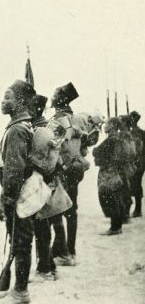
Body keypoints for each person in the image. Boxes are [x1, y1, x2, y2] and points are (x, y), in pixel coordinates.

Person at [0, 80, 35, 303]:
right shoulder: (23, 125)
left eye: (8, 97)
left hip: (18, 196)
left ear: (20, 101)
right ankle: (19, 289)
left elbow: (14, 171)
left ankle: (21, 292)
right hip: (25, 194)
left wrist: (5, 201)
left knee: (20, 242)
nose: (3, 101)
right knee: (20, 240)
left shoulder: (17, 130)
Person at [50, 82, 87, 267]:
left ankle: (63, 252)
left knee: (57, 210)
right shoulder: (77, 118)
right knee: (71, 211)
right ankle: (69, 250)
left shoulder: (59, 119)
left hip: (62, 170)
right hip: (75, 169)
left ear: (61, 99)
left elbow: (57, 145)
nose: (52, 96)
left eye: (55, 94)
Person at [29, 94, 57, 281]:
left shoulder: (40, 131)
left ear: (35, 109)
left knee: (40, 227)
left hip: (40, 182)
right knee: (42, 226)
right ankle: (49, 265)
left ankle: (45, 268)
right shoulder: (45, 127)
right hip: (46, 182)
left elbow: (40, 160)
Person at [93, 117, 125, 235]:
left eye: (107, 123)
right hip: (115, 171)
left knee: (109, 198)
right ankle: (117, 226)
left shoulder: (111, 139)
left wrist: (95, 150)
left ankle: (115, 227)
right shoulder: (118, 138)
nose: (105, 126)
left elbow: (97, 151)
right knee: (115, 197)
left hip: (108, 172)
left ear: (112, 125)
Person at [129, 111, 145, 217]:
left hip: (138, 162)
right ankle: (136, 209)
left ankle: (137, 209)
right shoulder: (139, 132)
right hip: (136, 162)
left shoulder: (139, 133)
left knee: (135, 184)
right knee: (133, 184)